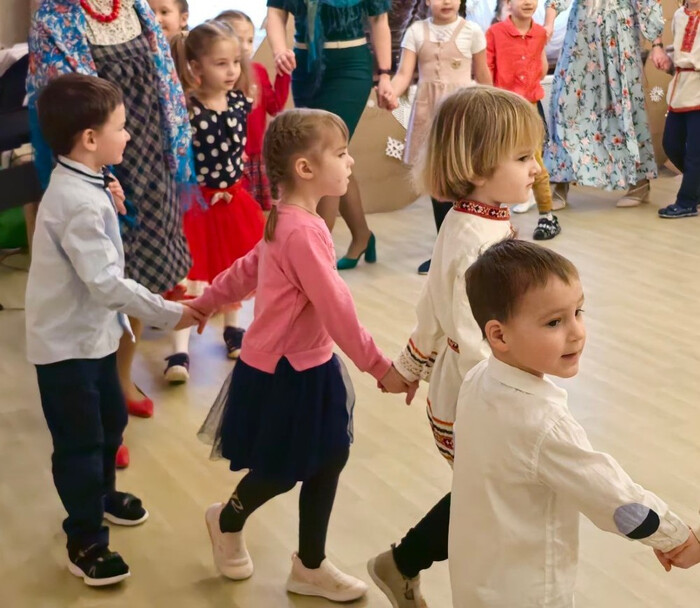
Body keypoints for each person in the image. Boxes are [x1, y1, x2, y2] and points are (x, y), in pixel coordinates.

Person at [190, 108, 416, 602]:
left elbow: (249, 266)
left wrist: (207, 301)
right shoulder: (300, 231)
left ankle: (309, 565)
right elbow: (336, 307)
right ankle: (226, 520)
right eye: (342, 154)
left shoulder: (293, 219)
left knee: (330, 457)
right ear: (305, 168)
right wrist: (380, 367)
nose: (351, 162)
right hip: (283, 372)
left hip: (311, 364)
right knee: (282, 469)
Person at [449, 238, 697, 607]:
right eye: (554, 322)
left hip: (478, 580)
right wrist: (677, 537)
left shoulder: (477, 380)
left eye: (578, 312)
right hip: (531, 593)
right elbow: (613, 498)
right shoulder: (541, 423)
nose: (577, 331)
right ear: (499, 335)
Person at [367, 87, 541, 608]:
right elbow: (468, 336)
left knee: (488, 495)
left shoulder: (479, 219)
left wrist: (409, 367)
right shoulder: (472, 237)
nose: (536, 168)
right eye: (522, 158)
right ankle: (411, 565)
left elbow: (433, 308)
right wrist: (518, 396)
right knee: (491, 496)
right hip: (473, 399)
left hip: (469, 389)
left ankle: (403, 564)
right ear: (478, 165)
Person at [25, 74, 202, 586]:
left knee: (109, 419)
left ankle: (101, 497)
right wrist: (170, 312)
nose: (128, 135)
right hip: (67, 348)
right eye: (120, 128)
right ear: (89, 138)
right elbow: (104, 281)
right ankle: (84, 538)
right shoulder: (76, 201)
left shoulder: (87, 180)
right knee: (79, 442)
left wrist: (110, 195)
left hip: (95, 336)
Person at [27, 0, 194, 425]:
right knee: (100, 275)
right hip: (96, 163)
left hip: (149, 155)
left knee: (142, 269)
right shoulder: (54, 18)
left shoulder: (137, 8)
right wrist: (94, 176)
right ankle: (97, 392)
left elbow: (165, 86)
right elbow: (57, 114)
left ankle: (121, 377)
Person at [164, 21, 265, 381]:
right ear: (196, 66)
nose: (232, 70)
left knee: (234, 268)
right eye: (221, 63)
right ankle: (178, 349)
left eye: (235, 62)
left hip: (234, 203)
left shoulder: (239, 101)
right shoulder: (187, 108)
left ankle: (233, 329)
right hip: (197, 206)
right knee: (189, 276)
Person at [265, 0, 394, 269]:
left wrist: (384, 74)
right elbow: (276, 12)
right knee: (330, 157)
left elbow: (379, 19)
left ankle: (316, 259)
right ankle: (362, 236)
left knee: (326, 157)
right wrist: (279, 51)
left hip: (350, 65)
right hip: (304, 66)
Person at [386, 0, 492, 275]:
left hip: (462, 113)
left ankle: (473, 247)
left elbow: (483, 75)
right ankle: (444, 252)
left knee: (467, 178)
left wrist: (494, 110)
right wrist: (390, 92)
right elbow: (404, 75)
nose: (446, 1)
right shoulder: (416, 32)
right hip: (429, 115)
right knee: (438, 182)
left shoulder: (472, 31)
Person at [543, 0, 667, 209]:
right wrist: (548, 23)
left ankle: (639, 183)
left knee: (625, 108)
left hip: (618, 36)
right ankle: (560, 179)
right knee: (566, 103)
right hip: (582, 34)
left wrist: (657, 45)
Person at [487, 0, 561, 240]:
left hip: (529, 107)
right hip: (503, 107)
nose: (528, 2)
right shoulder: (495, 32)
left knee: (535, 161)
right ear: (508, 3)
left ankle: (547, 216)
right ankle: (495, 218)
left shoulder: (539, 33)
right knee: (498, 161)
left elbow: (540, 68)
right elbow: (487, 70)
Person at [217, 10, 291, 212]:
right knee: (234, 211)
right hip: (229, 158)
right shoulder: (216, 77)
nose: (246, 47)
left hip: (256, 156)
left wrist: (284, 74)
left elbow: (275, 107)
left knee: (260, 212)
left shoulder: (258, 71)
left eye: (250, 40)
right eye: (238, 39)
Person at [652, 1, 700, 219]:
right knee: (671, 144)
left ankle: (687, 202)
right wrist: (667, 61)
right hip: (681, 89)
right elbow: (680, 49)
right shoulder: (680, 15)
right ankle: (695, 188)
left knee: (695, 153)